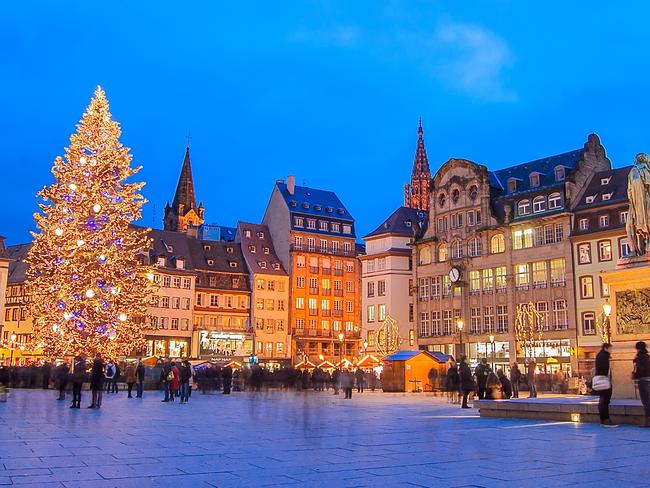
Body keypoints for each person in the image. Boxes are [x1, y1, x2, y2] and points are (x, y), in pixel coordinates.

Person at [595, 343, 616, 427]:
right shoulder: (603, 356)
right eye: (610, 348)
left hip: (603, 379)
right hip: (604, 380)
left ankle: (604, 419)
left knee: (603, 400)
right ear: (606, 348)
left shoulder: (602, 355)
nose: (611, 350)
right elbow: (604, 368)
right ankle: (605, 419)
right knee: (604, 400)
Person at [632, 341, 650, 428]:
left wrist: (635, 374)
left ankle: (648, 421)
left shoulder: (640, 357)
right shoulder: (647, 356)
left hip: (643, 380)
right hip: (648, 380)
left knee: (646, 401)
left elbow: (640, 369)